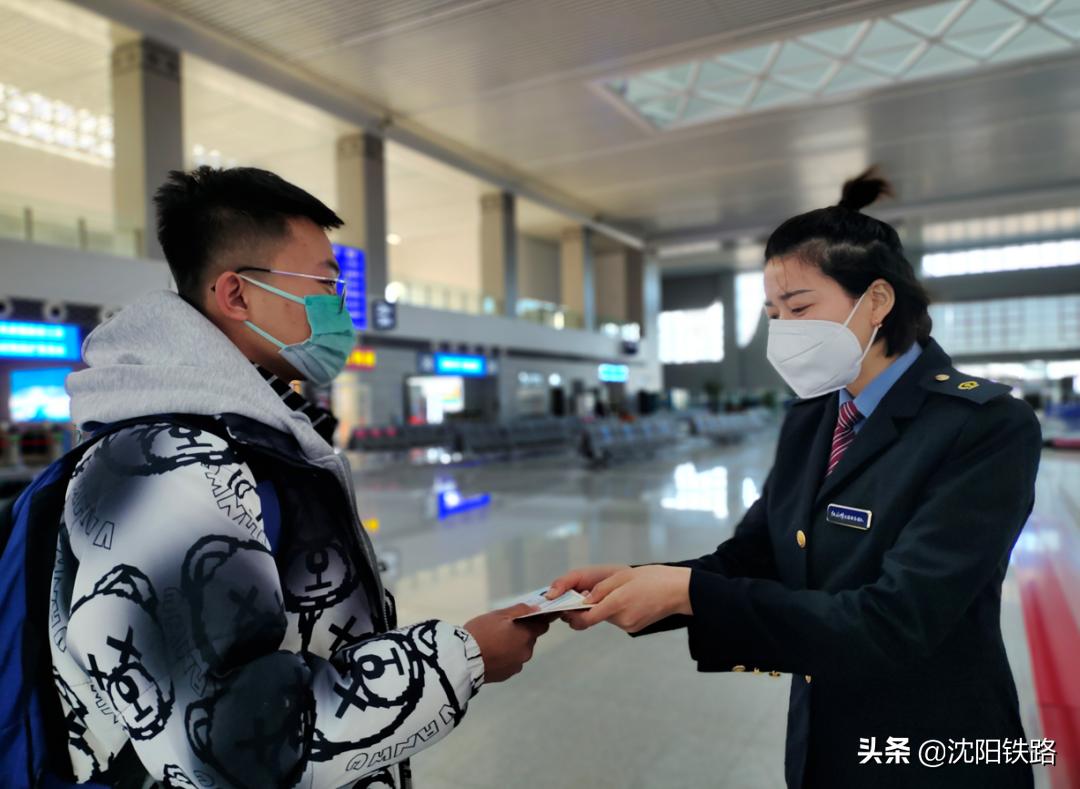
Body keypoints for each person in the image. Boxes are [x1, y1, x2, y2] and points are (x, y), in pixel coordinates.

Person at [51, 166, 547, 788]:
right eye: (323, 284)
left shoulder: (247, 438)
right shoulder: (169, 465)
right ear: (237, 295)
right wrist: (462, 659)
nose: (337, 306)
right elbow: (229, 745)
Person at [548, 169, 1042, 788]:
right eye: (773, 313)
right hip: (825, 742)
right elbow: (757, 556)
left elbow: (897, 619)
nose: (783, 329)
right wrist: (642, 580)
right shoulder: (813, 417)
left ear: (878, 302)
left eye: (800, 307)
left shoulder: (982, 425)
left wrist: (689, 594)